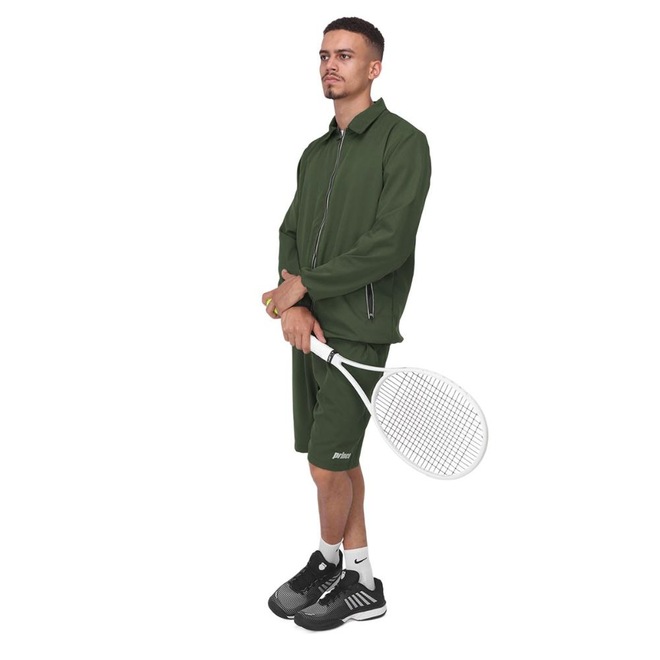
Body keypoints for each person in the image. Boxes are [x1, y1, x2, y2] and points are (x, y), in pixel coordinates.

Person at [261, 16, 431, 631]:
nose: (330, 65)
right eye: (324, 55)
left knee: (327, 465)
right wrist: (295, 304)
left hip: (360, 327)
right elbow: (291, 231)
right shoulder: (315, 153)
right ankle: (360, 579)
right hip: (309, 329)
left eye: (346, 55)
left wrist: (305, 284)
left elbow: (390, 242)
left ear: (374, 68)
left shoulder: (403, 142)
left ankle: (329, 561)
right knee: (335, 456)